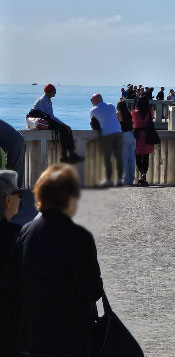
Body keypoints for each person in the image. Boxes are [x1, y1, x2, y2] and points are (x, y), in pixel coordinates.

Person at [13, 164, 103, 357]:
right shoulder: (80, 237)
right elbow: (92, 287)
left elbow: (17, 280)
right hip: (69, 333)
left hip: (33, 332)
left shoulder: (26, 231)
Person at [28, 84, 83, 163]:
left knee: (66, 130)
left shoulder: (48, 100)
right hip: (44, 120)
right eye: (54, 91)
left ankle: (70, 154)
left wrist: (64, 125)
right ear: (50, 92)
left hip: (46, 119)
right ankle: (66, 155)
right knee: (64, 130)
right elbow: (50, 117)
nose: (55, 93)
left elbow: (50, 116)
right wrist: (64, 125)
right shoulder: (43, 100)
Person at [0, 170, 23, 356]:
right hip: (9, 317)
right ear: (7, 200)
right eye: (19, 194)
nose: (20, 199)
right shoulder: (16, 234)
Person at [89, 94, 123, 187]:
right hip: (118, 132)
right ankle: (120, 179)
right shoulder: (111, 106)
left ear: (96, 100)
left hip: (106, 134)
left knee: (107, 158)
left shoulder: (93, 110)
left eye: (92, 100)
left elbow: (93, 123)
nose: (91, 101)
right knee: (118, 157)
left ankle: (109, 180)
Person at [132, 96, 156, 186]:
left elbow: (133, 123)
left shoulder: (134, 113)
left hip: (138, 136)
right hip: (147, 135)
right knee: (146, 157)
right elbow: (152, 120)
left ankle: (142, 173)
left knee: (138, 157)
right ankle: (144, 175)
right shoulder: (150, 112)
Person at [116, 101, 136, 185]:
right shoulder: (129, 113)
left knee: (124, 159)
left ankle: (126, 179)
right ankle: (131, 179)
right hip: (131, 136)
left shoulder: (119, 113)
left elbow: (118, 124)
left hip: (124, 136)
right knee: (131, 159)